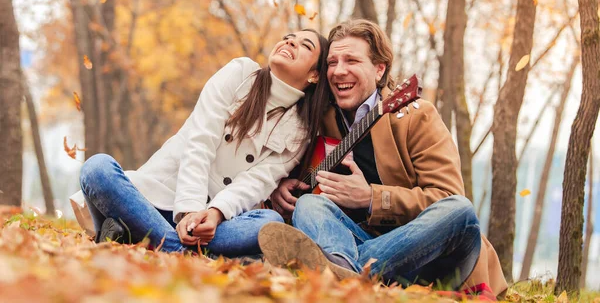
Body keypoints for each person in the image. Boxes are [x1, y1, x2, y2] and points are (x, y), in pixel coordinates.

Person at [259, 19, 507, 299]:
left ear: (379, 69)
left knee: (460, 210)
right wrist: (281, 187)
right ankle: (347, 271)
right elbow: (292, 176)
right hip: (357, 243)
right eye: (332, 62)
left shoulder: (416, 116)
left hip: (425, 256)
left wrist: (371, 198)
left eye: (351, 60)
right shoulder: (321, 118)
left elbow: (446, 195)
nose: (339, 71)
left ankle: (342, 271)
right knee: (309, 204)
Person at [70, 29, 330, 256]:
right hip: (155, 200)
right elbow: (199, 142)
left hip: (212, 224)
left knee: (269, 221)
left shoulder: (301, 131)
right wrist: (188, 211)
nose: (290, 42)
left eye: (305, 45)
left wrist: (215, 213)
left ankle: (133, 234)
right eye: (288, 38)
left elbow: (256, 183)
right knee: (97, 169)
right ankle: (179, 250)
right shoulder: (240, 73)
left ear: (315, 75)